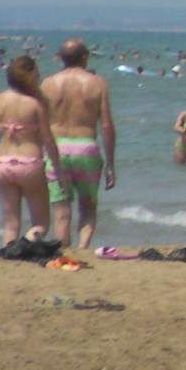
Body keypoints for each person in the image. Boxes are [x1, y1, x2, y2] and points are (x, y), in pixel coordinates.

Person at [0, 56, 63, 245]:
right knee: (41, 223)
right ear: (31, 76)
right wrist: (59, 172)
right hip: (30, 164)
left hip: (2, 165)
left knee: (10, 224)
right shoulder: (34, 104)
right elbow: (48, 141)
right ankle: (23, 245)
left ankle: (8, 252)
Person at [41, 39, 116, 249]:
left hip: (56, 149)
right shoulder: (98, 83)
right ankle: (82, 249)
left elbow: (40, 124)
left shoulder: (47, 84)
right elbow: (107, 126)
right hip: (86, 147)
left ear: (60, 58)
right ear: (85, 57)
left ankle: (64, 252)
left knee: (61, 211)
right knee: (88, 207)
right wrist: (110, 164)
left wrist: (39, 154)